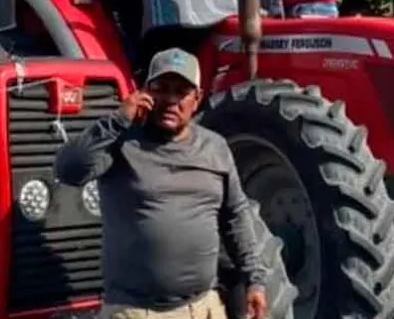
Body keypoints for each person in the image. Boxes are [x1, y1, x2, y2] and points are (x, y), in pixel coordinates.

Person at [54, 48, 269, 319]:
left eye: (181, 92)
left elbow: (236, 216)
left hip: (203, 307)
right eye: (161, 88)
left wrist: (254, 280)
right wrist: (118, 120)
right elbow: (68, 170)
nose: (170, 100)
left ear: (197, 98)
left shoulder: (215, 147)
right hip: (136, 311)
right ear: (146, 92)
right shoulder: (122, 143)